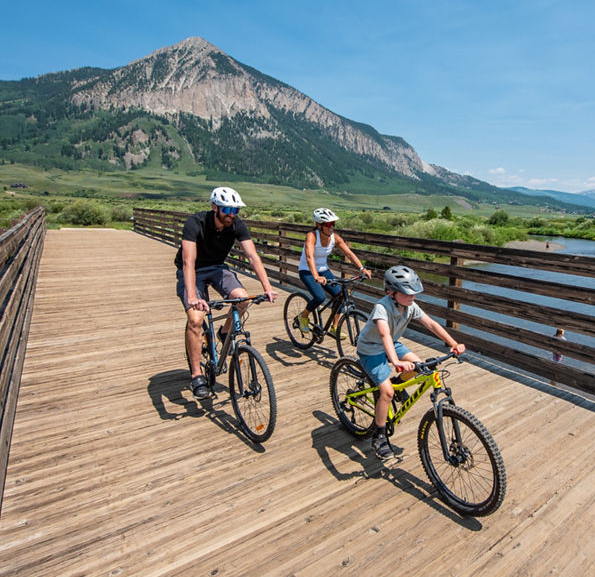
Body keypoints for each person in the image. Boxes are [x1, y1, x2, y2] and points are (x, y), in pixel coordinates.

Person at [175, 186, 278, 400]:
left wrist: (267, 287)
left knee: (242, 299)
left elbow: (252, 257)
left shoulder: (237, 225)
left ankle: (225, 333)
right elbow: (188, 261)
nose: (231, 215)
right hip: (194, 270)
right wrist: (194, 297)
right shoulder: (196, 223)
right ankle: (196, 376)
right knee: (195, 319)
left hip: (218, 268)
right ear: (215, 207)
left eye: (235, 210)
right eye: (227, 210)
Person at [356, 265, 465, 460]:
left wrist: (453, 343)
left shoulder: (410, 306)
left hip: (392, 344)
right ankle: (379, 435)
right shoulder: (382, 307)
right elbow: (384, 334)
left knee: (421, 367)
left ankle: (398, 384)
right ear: (391, 292)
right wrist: (396, 361)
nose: (412, 297)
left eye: (414, 293)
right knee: (386, 392)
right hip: (371, 348)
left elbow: (431, 323)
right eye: (407, 294)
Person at [295, 208, 372, 337]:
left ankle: (334, 327)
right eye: (328, 224)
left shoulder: (335, 238)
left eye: (333, 224)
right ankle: (302, 317)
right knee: (320, 297)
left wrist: (362, 269)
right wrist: (316, 276)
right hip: (307, 271)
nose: (332, 227)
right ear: (319, 225)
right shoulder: (312, 236)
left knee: (340, 296)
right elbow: (309, 257)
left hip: (323, 270)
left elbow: (349, 253)